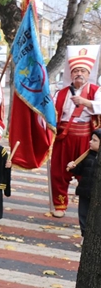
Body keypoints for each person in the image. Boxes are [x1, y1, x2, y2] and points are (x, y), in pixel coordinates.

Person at [50, 45, 101, 217]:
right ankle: (59, 205)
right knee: (58, 171)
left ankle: (89, 206)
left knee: (86, 172)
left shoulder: (95, 90)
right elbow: (53, 112)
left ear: (89, 74)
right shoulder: (61, 92)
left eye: (83, 71)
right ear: (71, 74)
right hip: (64, 136)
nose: (79, 73)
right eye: (76, 70)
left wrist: (85, 102)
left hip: (86, 137)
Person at [67, 128, 101, 237]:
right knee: (83, 214)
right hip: (85, 191)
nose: (90, 142)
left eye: (95, 140)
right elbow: (80, 170)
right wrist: (73, 167)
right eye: (91, 139)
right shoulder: (87, 156)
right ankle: (84, 235)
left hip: (97, 194)